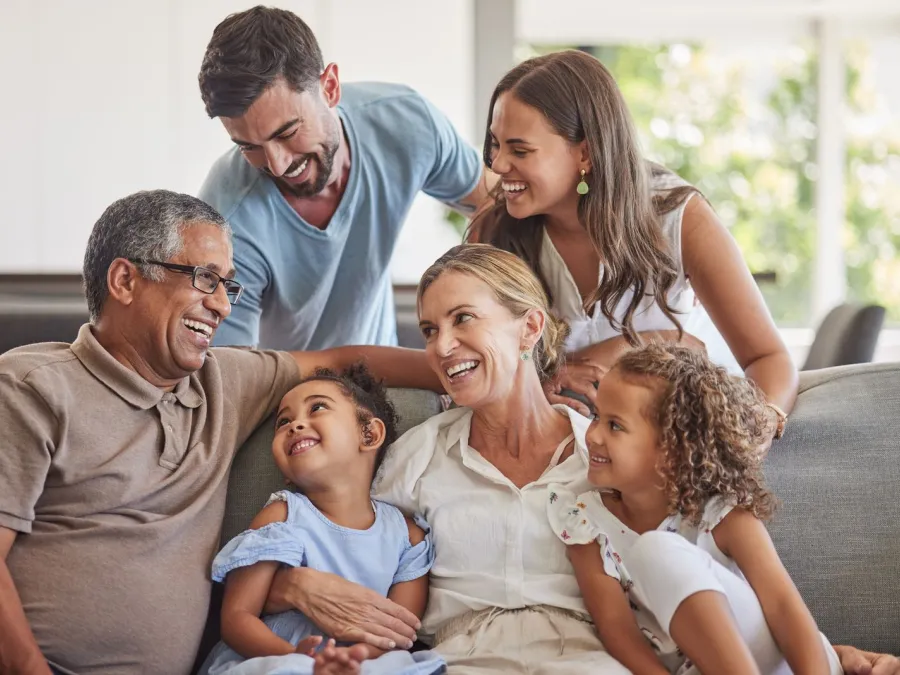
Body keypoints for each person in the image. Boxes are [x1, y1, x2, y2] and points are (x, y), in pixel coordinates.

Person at [266, 244, 899, 675]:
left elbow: (688, 578)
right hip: (463, 662)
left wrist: (826, 655)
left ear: (528, 328)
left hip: (590, 662)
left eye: (463, 320)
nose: (442, 346)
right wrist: (291, 582)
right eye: (429, 329)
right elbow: (346, 543)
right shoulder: (415, 458)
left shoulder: (613, 458)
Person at [0, 190, 439, 675]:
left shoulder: (223, 380)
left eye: (228, 286)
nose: (223, 307)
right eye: (205, 279)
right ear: (125, 280)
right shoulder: (30, 389)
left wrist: (476, 375)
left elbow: (342, 362)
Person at [468, 50, 797, 429]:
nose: (497, 165)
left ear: (585, 153)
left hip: (691, 433)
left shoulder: (678, 218)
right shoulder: (495, 232)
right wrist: (546, 378)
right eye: (496, 144)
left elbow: (769, 358)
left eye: (520, 149)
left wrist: (760, 429)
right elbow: (476, 366)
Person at [197, 6, 494, 351]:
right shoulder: (225, 219)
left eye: (288, 132)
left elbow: (497, 205)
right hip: (281, 397)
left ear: (330, 87)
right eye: (249, 147)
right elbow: (235, 375)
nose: (277, 165)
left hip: (384, 385)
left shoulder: (406, 124)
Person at [548, 343, 841, 674]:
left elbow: (784, 607)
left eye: (615, 425)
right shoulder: (585, 519)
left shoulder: (721, 512)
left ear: (673, 450)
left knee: (655, 550)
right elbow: (618, 632)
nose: (593, 435)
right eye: (597, 416)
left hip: (785, 664)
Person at [199, 365, 443, 675]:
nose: (296, 424)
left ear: (369, 434)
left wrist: (351, 660)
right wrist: (298, 658)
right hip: (281, 658)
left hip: (364, 663)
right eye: (283, 421)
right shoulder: (282, 516)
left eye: (317, 407)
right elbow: (236, 619)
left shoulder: (408, 536)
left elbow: (398, 628)